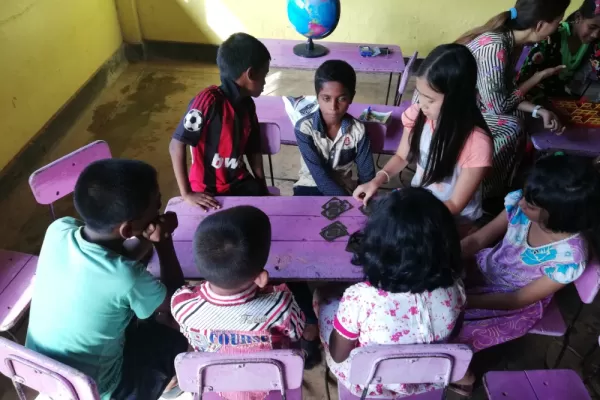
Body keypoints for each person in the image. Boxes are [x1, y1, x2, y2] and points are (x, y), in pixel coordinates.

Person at [26, 159, 188, 400]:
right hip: (99, 388)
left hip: (41, 371)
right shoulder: (126, 277)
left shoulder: (59, 229)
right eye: (157, 204)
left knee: (132, 310)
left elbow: (108, 260)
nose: (159, 210)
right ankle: (157, 385)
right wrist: (164, 241)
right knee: (176, 333)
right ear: (127, 229)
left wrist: (145, 238)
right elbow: (176, 300)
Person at [316, 188, 466, 398]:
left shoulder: (359, 297)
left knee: (323, 300)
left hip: (369, 383)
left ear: (378, 247)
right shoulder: (456, 289)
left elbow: (339, 355)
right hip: (425, 378)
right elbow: (454, 334)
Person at [457, 155, 600, 357]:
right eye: (525, 195)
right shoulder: (520, 207)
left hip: (511, 302)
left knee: (451, 329)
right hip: (485, 267)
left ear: (559, 214)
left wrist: (462, 301)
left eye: (531, 205)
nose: (522, 203)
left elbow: (517, 299)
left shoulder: (569, 258)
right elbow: (478, 240)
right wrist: (443, 256)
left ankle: (464, 376)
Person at [353, 44, 493, 232]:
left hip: (453, 221)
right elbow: (402, 156)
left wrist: (408, 215)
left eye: (431, 100)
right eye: (420, 95)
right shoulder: (418, 115)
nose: (422, 105)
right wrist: (376, 181)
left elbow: (455, 205)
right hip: (419, 206)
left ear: (457, 99)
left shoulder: (477, 143)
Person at [171, 206, 304, 399]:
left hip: (214, 385)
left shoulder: (182, 304)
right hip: (269, 384)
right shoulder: (280, 306)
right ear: (260, 278)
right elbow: (295, 335)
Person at [455, 0, 570, 199]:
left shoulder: (509, 42)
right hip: (449, 109)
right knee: (511, 126)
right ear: (540, 25)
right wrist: (537, 78)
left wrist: (538, 110)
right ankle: (480, 193)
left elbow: (503, 93)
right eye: (557, 23)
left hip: (471, 102)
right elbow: (498, 106)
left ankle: (499, 184)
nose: (556, 30)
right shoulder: (496, 46)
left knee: (520, 116)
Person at [169, 33, 270, 211]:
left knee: (264, 213)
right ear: (251, 74)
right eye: (264, 75)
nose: (265, 82)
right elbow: (176, 144)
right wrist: (186, 193)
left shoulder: (248, 105)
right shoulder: (208, 101)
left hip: (238, 183)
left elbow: (253, 150)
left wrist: (262, 187)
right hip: (207, 190)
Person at [294, 60, 376, 196]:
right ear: (317, 97)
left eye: (341, 99)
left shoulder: (358, 131)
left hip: (345, 187)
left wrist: (365, 194)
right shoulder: (304, 129)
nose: (333, 107)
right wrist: (343, 200)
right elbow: (318, 174)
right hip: (310, 185)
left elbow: (367, 174)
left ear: (351, 97)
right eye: (326, 98)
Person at [518, 0, 600, 101]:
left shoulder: (594, 44)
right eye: (592, 27)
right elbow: (522, 79)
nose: (596, 34)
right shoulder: (550, 38)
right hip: (530, 98)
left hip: (560, 96)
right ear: (578, 17)